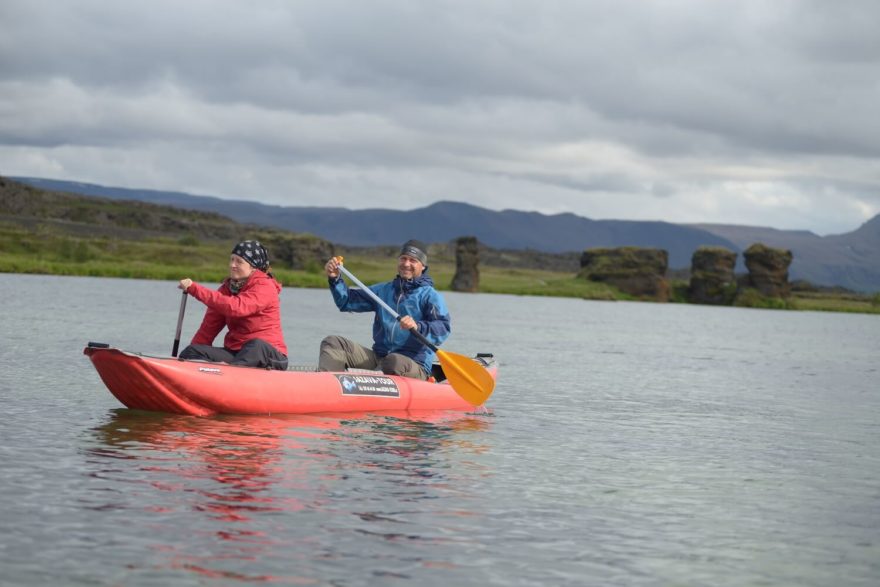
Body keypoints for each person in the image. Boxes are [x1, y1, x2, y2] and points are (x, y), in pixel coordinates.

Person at [318, 239, 450, 380]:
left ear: (423, 266)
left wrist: (418, 326)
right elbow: (347, 301)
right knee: (333, 343)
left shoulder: (430, 296)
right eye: (403, 259)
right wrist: (335, 278)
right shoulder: (383, 290)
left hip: (412, 364)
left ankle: (371, 385)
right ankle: (327, 386)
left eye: (413, 260)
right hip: (379, 358)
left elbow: (442, 329)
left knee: (393, 361)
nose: (406, 264)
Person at [177, 240, 288, 370]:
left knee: (255, 345)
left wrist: (195, 289)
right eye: (231, 260)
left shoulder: (265, 286)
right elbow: (208, 330)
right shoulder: (226, 289)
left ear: (253, 267)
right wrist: (192, 356)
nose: (232, 265)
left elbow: (236, 308)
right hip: (237, 353)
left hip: (270, 354)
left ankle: (230, 377)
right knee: (192, 351)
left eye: (239, 261)